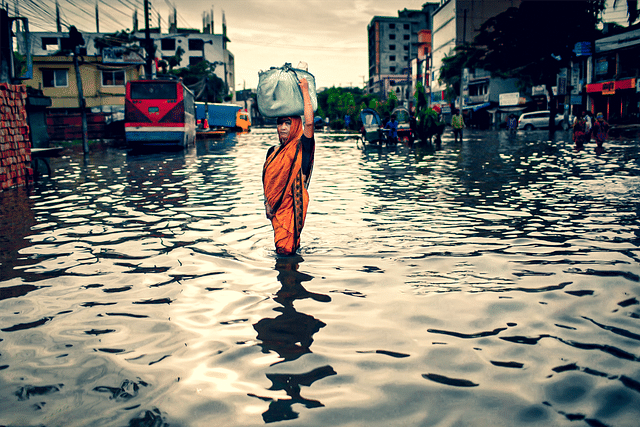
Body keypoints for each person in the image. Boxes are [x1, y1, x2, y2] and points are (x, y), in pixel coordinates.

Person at [263, 78, 315, 255]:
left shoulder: (302, 148)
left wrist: (305, 90)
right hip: (276, 214)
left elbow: (309, 123)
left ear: (296, 125)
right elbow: (267, 181)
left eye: (288, 123)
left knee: (287, 254)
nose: (283, 127)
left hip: (292, 213)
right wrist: (266, 204)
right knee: (283, 254)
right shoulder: (272, 152)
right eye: (280, 123)